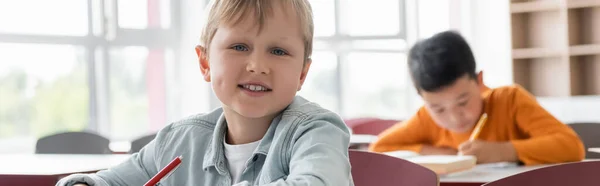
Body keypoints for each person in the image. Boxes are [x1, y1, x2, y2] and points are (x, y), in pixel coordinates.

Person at [57, 0, 353, 185]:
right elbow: (110, 181)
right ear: (205, 62)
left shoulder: (317, 131)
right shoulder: (179, 140)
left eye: (278, 51)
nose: (258, 65)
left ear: (302, 73)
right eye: (239, 47)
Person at [369, 30, 585, 165]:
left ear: (479, 81)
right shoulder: (425, 117)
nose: (454, 117)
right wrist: (442, 153)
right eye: (438, 108)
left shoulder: (510, 100)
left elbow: (572, 146)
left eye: (463, 101)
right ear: (422, 98)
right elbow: (378, 149)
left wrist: (503, 151)